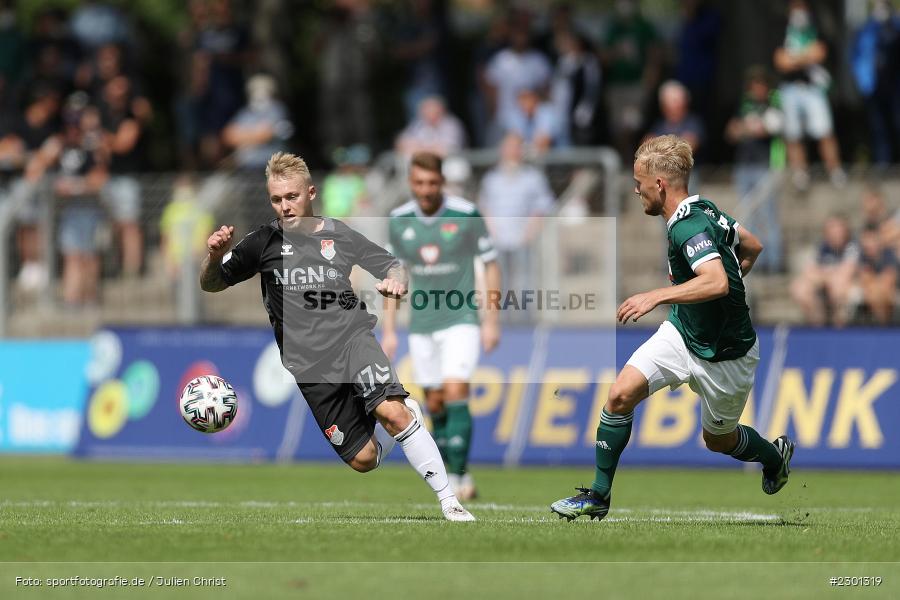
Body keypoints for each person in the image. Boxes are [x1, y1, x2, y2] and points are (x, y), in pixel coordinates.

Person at [200, 151, 474, 522]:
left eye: (292, 196)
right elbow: (212, 284)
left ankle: (450, 501)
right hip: (309, 367)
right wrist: (215, 257)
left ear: (310, 193)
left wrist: (396, 280)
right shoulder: (261, 242)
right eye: (277, 199)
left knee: (391, 412)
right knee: (364, 459)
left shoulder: (338, 235)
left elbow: (393, 264)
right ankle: (407, 424)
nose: (285, 206)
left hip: (351, 341)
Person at [550, 135, 794, 522]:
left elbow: (716, 281)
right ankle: (598, 495)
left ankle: (772, 456)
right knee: (619, 395)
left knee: (719, 440)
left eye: (638, 182)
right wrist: (719, 289)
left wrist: (656, 296)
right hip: (682, 332)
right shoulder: (706, 210)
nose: (635, 189)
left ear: (659, 184)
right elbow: (752, 246)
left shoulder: (687, 227)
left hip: (727, 356)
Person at [381, 151, 502, 500]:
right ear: (410, 182)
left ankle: (461, 477)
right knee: (433, 402)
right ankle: (451, 468)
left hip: (461, 319)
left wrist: (491, 318)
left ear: (442, 182)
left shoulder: (465, 214)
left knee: (454, 390)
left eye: (432, 182)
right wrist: (389, 329)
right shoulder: (400, 220)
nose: (426, 189)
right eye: (419, 182)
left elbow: (491, 265)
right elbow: (394, 275)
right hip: (421, 323)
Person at [773, 0, 844, 189]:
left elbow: (820, 53)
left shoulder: (816, 28)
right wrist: (805, 56)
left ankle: (835, 170)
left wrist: (795, 58)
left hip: (813, 87)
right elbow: (781, 61)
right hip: (790, 88)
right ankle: (800, 173)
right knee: (793, 133)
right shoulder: (781, 29)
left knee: (824, 130)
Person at [725, 66, 785, 273]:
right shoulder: (744, 106)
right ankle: (753, 261)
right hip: (744, 166)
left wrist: (749, 128)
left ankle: (774, 261)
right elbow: (732, 132)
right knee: (747, 216)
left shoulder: (774, 104)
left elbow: (770, 128)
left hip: (764, 165)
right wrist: (746, 128)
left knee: (768, 214)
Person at [790, 215, 859, 327]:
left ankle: (840, 328)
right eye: (832, 230)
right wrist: (827, 277)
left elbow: (846, 274)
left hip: (850, 288)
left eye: (838, 230)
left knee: (838, 287)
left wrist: (823, 275)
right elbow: (809, 272)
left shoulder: (852, 247)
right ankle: (818, 327)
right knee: (799, 288)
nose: (835, 233)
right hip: (825, 285)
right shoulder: (821, 247)